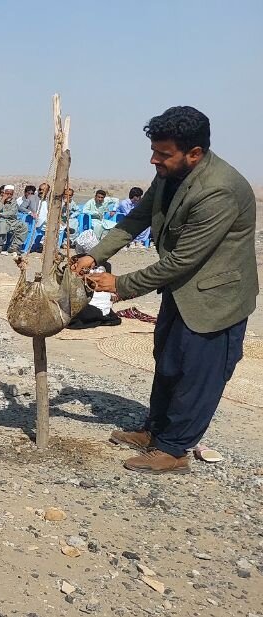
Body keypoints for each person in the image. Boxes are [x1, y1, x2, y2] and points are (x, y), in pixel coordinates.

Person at [72, 106, 256, 474]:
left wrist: (120, 285)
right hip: (181, 291)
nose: (153, 159)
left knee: (199, 374)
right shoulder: (170, 174)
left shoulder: (218, 190)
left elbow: (183, 260)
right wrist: (95, 256)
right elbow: (137, 218)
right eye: (154, 151)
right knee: (169, 362)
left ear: (195, 154)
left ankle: (174, 450)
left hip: (215, 298)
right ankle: (155, 431)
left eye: (163, 154)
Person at [0, 185, 28, 253]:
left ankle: (15, 246)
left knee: (23, 226)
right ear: (3, 193)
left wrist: (2, 214)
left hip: (12, 220)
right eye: (7, 193)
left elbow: (13, 212)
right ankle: (0, 245)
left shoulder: (13, 202)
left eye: (11, 194)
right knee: (2, 225)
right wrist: (2, 200)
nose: (9, 195)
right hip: (1, 220)